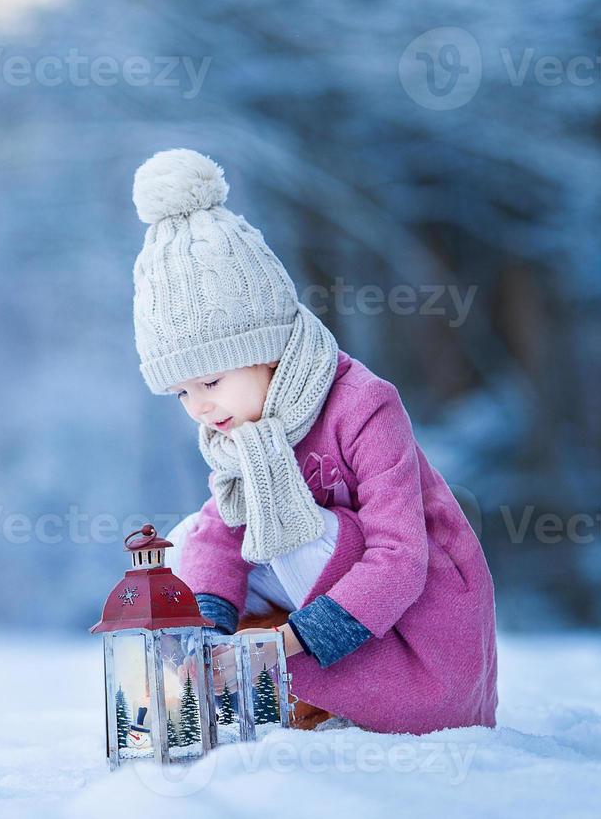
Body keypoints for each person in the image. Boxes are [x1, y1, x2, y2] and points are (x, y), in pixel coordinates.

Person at [130, 148, 498, 735]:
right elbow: (222, 536)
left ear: (269, 352)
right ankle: (215, 676)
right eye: (181, 393)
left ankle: (304, 675)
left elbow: (400, 558)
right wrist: (202, 632)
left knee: (295, 525)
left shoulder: (363, 404)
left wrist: (288, 641)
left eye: (211, 381)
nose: (198, 407)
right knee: (190, 541)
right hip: (327, 607)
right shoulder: (240, 435)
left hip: (419, 636)